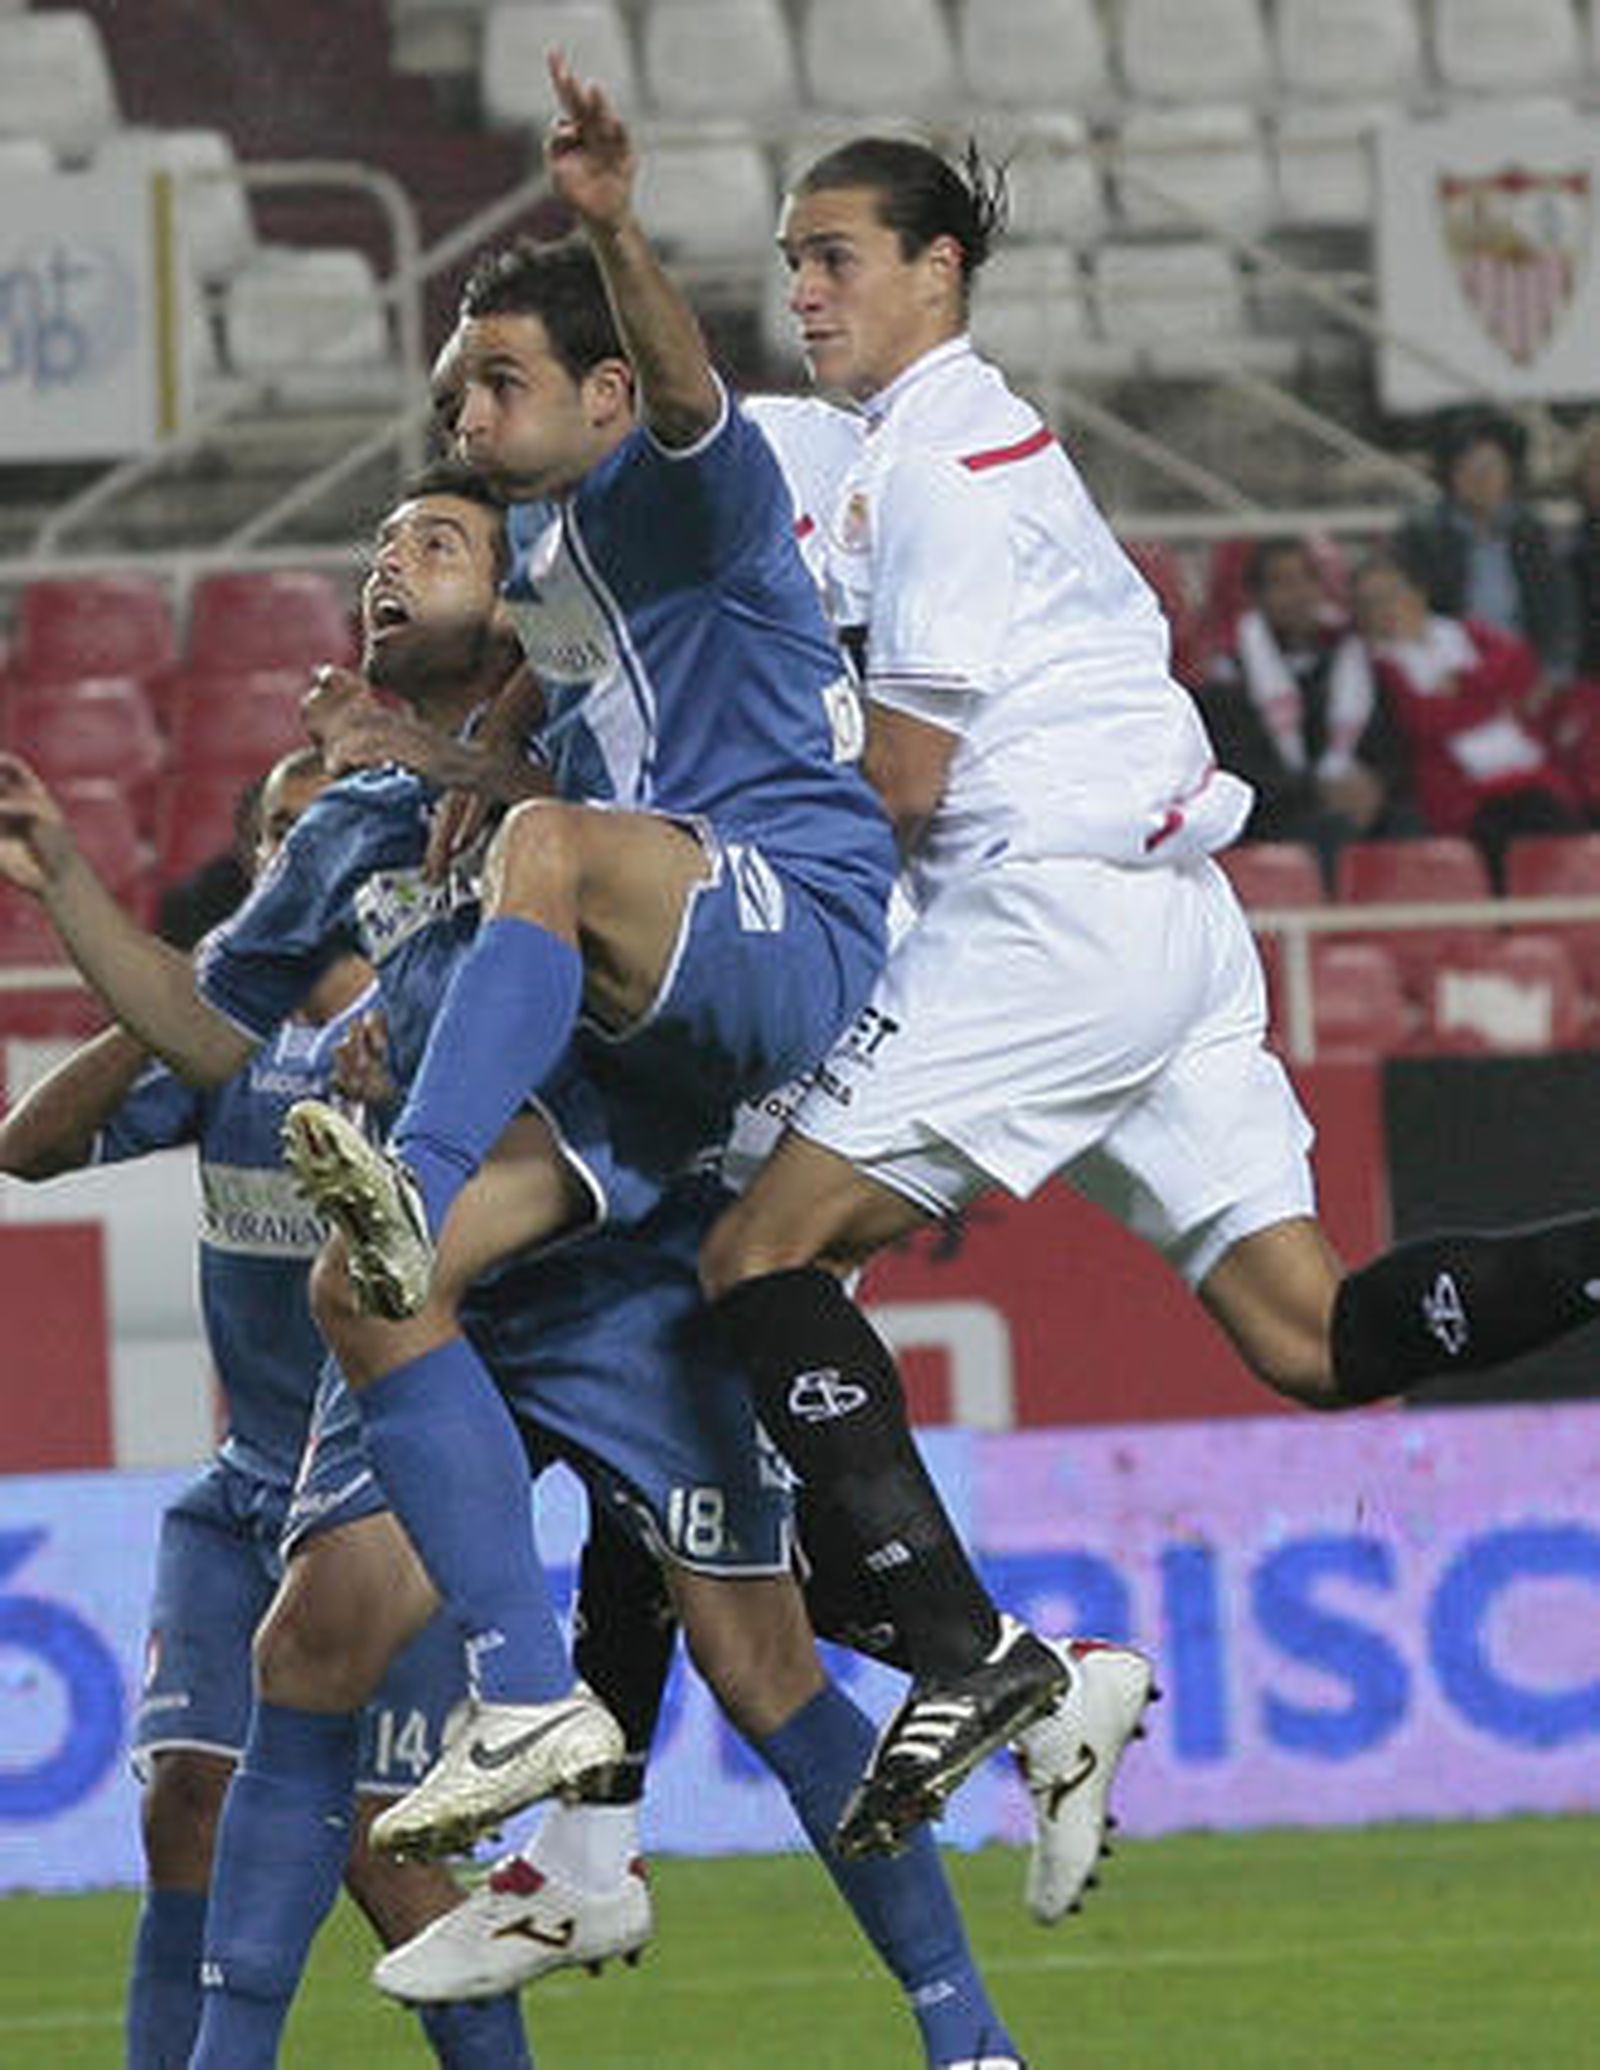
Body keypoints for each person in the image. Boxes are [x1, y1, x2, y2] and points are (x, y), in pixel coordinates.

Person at [0, 479, 1032, 2068]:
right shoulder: (343, 829)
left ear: (517, 606)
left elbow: (644, 857)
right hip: (445, 1295)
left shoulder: (605, 750)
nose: (388, 565)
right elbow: (213, 1033)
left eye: (436, 544)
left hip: (626, 1259)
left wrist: (443, 767)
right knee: (304, 1651)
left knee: (761, 1666)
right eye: (377, 547)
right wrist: (71, 882)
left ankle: (970, 2040)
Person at [670, 134, 1600, 1860]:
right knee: (1313, 1338)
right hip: (1175, 921)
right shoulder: (920, 442)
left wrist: (715, 879)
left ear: (940, 270)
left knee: (756, 1255)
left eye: (836, 256)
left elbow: (905, 789)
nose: (802, 289)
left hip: (1049, 917)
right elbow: (691, 418)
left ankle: (965, 1647)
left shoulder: (938, 468)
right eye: (791, 259)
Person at [280, 51, 924, 1856]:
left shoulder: (674, 493)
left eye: (500, 380)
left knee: (548, 862)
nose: (468, 411)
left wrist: (618, 226)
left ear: (605, 393)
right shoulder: (558, 573)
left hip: (792, 918)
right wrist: (454, 765)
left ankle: (411, 1183)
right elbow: (583, 774)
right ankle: (526, 1686)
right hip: (662, 1032)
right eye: (454, 390)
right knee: (365, 1294)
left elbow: (698, 394)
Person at [0, 747, 531, 2070]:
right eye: (280, 837)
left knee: (384, 1848)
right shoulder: (227, 1059)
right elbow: (28, 1146)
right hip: (244, 1485)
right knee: (184, 1802)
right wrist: (194, 1001)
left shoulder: (445, 1027)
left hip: (386, 1502)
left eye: (323, 828)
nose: (304, 854)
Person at [1350, 549, 1583, 886]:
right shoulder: (1377, 665)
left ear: (1417, 594)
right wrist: (1490, 700)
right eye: (1368, 603)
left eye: (1389, 595)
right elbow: (1424, 720)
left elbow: (1519, 666)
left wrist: (1464, 684)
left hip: (1527, 771)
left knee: (1558, 824)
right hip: (1466, 792)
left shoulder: (1463, 633)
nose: (1381, 609)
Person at [1198, 536, 1418, 884]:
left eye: (1307, 579)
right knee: (1328, 832)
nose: (1298, 594)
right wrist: (1319, 793)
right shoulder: (1229, 676)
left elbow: (1389, 745)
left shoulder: (1352, 658)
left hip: (1352, 805)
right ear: (1258, 596)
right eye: (1282, 583)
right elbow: (1240, 772)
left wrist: (1373, 786)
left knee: (1407, 826)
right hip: (1276, 816)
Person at [1393, 408, 1577, 687]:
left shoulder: (1531, 532)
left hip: (1525, 668)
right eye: (1467, 469)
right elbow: (1411, 611)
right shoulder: (1423, 535)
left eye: (1490, 468)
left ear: (1509, 472)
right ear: (1450, 475)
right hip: (1452, 672)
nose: (1480, 479)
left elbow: (1559, 609)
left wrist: (1552, 674)